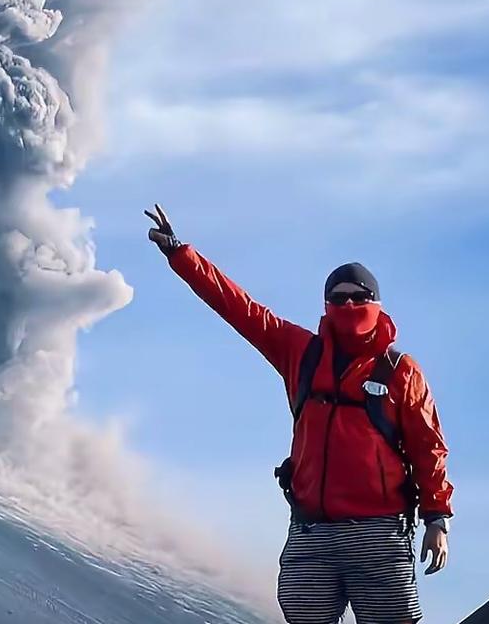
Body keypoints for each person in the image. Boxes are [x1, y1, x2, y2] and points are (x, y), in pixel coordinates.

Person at [145, 204, 453, 624]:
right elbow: (241, 309)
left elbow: (428, 447)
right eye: (339, 298)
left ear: (377, 304)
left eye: (359, 297)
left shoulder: (401, 371)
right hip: (312, 531)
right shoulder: (301, 353)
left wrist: (437, 519)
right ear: (326, 305)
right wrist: (181, 255)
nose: (349, 304)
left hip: (379, 534)